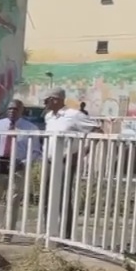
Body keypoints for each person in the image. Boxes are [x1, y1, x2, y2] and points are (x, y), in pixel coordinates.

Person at [43, 88, 100, 238]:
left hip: (65, 160)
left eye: (47, 100)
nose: (45, 103)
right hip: (49, 160)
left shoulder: (73, 115)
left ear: (56, 99)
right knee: (47, 196)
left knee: (62, 196)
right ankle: (48, 232)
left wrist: (82, 152)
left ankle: (64, 235)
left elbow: (97, 131)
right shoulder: (49, 116)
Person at [0, 99, 42, 172]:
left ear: (22, 110)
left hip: (18, 170)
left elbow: (35, 152)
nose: (12, 111)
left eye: (15, 109)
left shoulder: (31, 128)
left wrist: (23, 164)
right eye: (10, 109)